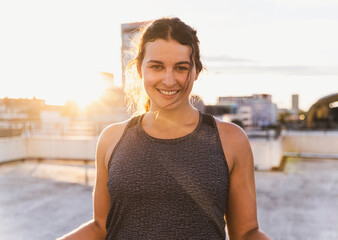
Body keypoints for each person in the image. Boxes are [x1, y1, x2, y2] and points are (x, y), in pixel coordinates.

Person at [58, 17, 271, 240]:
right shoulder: (112, 138)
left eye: (181, 68)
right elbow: (101, 227)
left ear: (197, 71)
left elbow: (246, 233)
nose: (169, 81)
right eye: (157, 67)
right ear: (140, 70)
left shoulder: (231, 139)